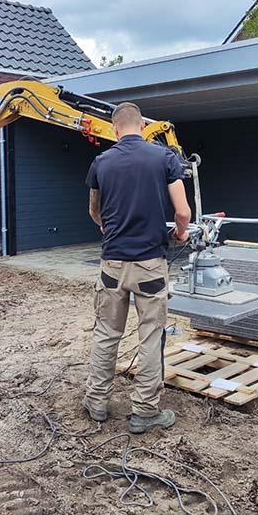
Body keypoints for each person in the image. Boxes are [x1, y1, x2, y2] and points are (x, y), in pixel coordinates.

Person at [83, 102, 191, 434]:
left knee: (106, 334)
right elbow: (183, 210)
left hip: (112, 265)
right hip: (149, 267)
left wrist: (106, 227)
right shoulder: (164, 158)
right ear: (142, 126)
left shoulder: (101, 162)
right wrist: (181, 232)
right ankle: (144, 411)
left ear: (115, 129)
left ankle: (96, 402)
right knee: (150, 335)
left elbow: (93, 211)